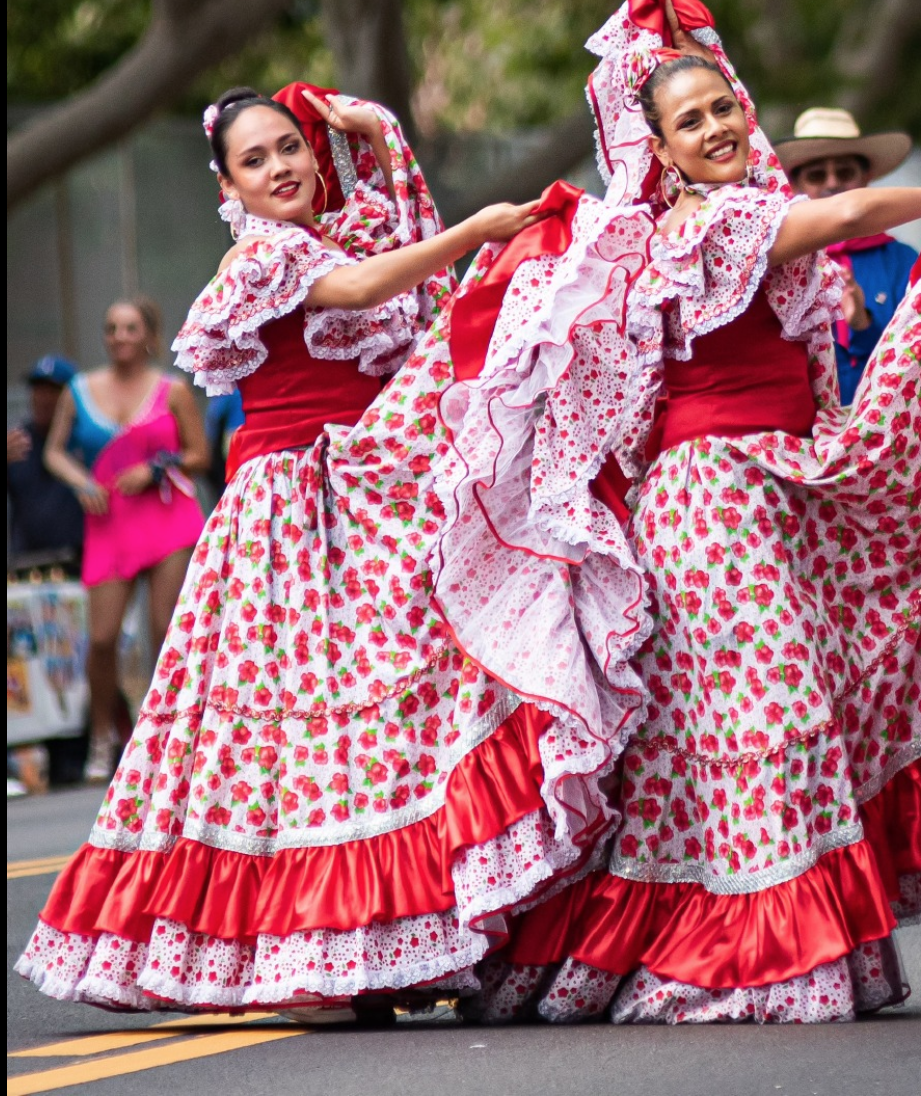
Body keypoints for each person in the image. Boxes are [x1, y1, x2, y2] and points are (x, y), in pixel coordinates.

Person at [439, 0, 921, 1024]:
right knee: (773, 708)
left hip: (768, 486)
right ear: (659, 146)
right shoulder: (705, 228)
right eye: (689, 120)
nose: (713, 128)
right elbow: (833, 216)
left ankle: (744, 938)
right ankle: (757, 945)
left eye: (723, 110)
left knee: (740, 719)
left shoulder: (728, 213)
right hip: (709, 496)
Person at [13, 82, 607, 1018]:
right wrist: (475, 228)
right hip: (287, 514)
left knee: (398, 717)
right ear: (228, 186)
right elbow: (373, 284)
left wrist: (378, 136)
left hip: (367, 492)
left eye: (289, 146)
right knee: (301, 735)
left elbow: (408, 274)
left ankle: (398, 943)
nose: (281, 167)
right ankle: (332, 950)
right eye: (256, 159)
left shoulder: (333, 235)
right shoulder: (264, 258)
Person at [40, 302, 207, 782]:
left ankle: (170, 738)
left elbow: (198, 454)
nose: (120, 336)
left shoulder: (172, 390)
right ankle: (102, 737)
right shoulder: (79, 390)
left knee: (164, 628)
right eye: (111, 328)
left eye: (130, 328)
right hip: (108, 522)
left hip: (167, 518)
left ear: (149, 335)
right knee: (103, 637)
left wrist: (156, 466)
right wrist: (79, 480)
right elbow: (54, 450)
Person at [775, 108, 917, 403]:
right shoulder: (779, 265)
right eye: (817, 175)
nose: (832, 184)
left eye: (844, 172)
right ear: (796, 185)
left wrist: (864, 324)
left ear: (865, 178)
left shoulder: (903, 261)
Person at [7, 355, 84, 567]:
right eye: (38, 389)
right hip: (25, 565)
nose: (43, 398)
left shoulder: (85, 440)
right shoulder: (16, 441)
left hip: (79, 562)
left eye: (53, 390)